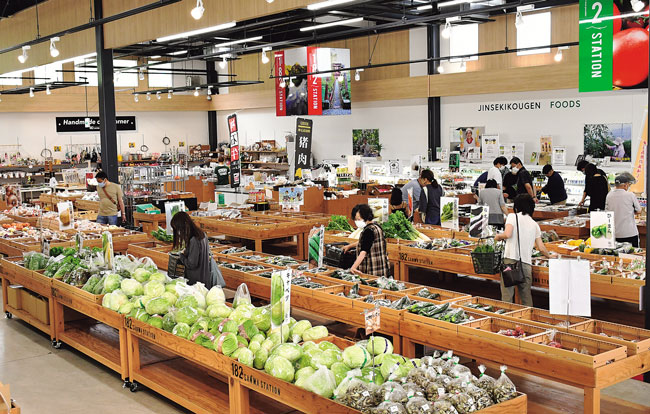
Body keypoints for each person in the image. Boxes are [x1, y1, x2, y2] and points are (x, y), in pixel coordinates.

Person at [494, 194, 556, 306]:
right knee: (526, 297)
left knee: (507, 296)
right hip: (526, 265)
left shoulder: (513, 216)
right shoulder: (535, 224)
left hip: (510, 262)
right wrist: (549, 256)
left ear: (516, 207)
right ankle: (527, 320)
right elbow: (541, 247)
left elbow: (507, 234)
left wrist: (498, 236)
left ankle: (507, 321)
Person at [171, 211, 222, 287]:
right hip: (204, 276)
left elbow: (192, 264)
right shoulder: (201, 234)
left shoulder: (194, 239)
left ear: (182, 226)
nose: (178, 232)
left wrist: (181, 256)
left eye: (178, 229)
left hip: (196, 281)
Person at [342, 204, 390, 277]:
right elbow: (365, 242)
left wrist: (353, 267)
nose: (357, 221)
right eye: (355, 219)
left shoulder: (368, 231)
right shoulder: (377, 226)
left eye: (359, 219)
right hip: (381, 267)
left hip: (372, 270)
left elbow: (363, 252)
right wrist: (350, 246)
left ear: (366, 217)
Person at [606, 173, 641, 247]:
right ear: (625, 185)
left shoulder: (609, 196)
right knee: (633, 255)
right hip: (629, 233)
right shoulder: (630, 195)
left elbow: (607, 212)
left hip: (615, 234)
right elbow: (639, 210)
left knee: (617, 256)